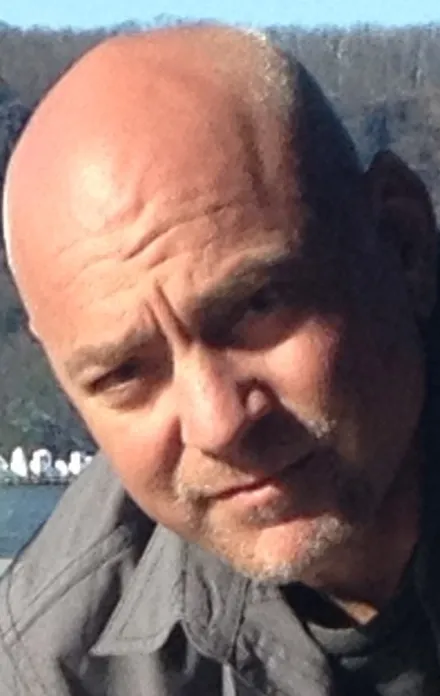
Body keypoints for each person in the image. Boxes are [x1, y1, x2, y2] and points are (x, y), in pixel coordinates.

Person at [1, 23, 439, 695]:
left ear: (404, 245)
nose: (218, 423)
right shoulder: (59, 660)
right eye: (125, 374)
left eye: (257, 306)